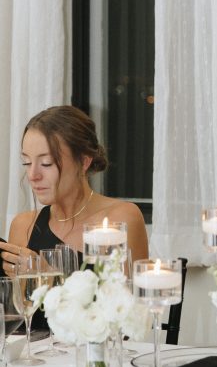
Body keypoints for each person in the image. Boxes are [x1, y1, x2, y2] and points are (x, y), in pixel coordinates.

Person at [0, 105, 149, 279]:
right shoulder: (23, 226)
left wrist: (50, 277)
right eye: (27, 162)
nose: (33, 175)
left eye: (47, 163)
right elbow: (15, 296)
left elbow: (126, 296)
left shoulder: (120, 219)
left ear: (84, 161)